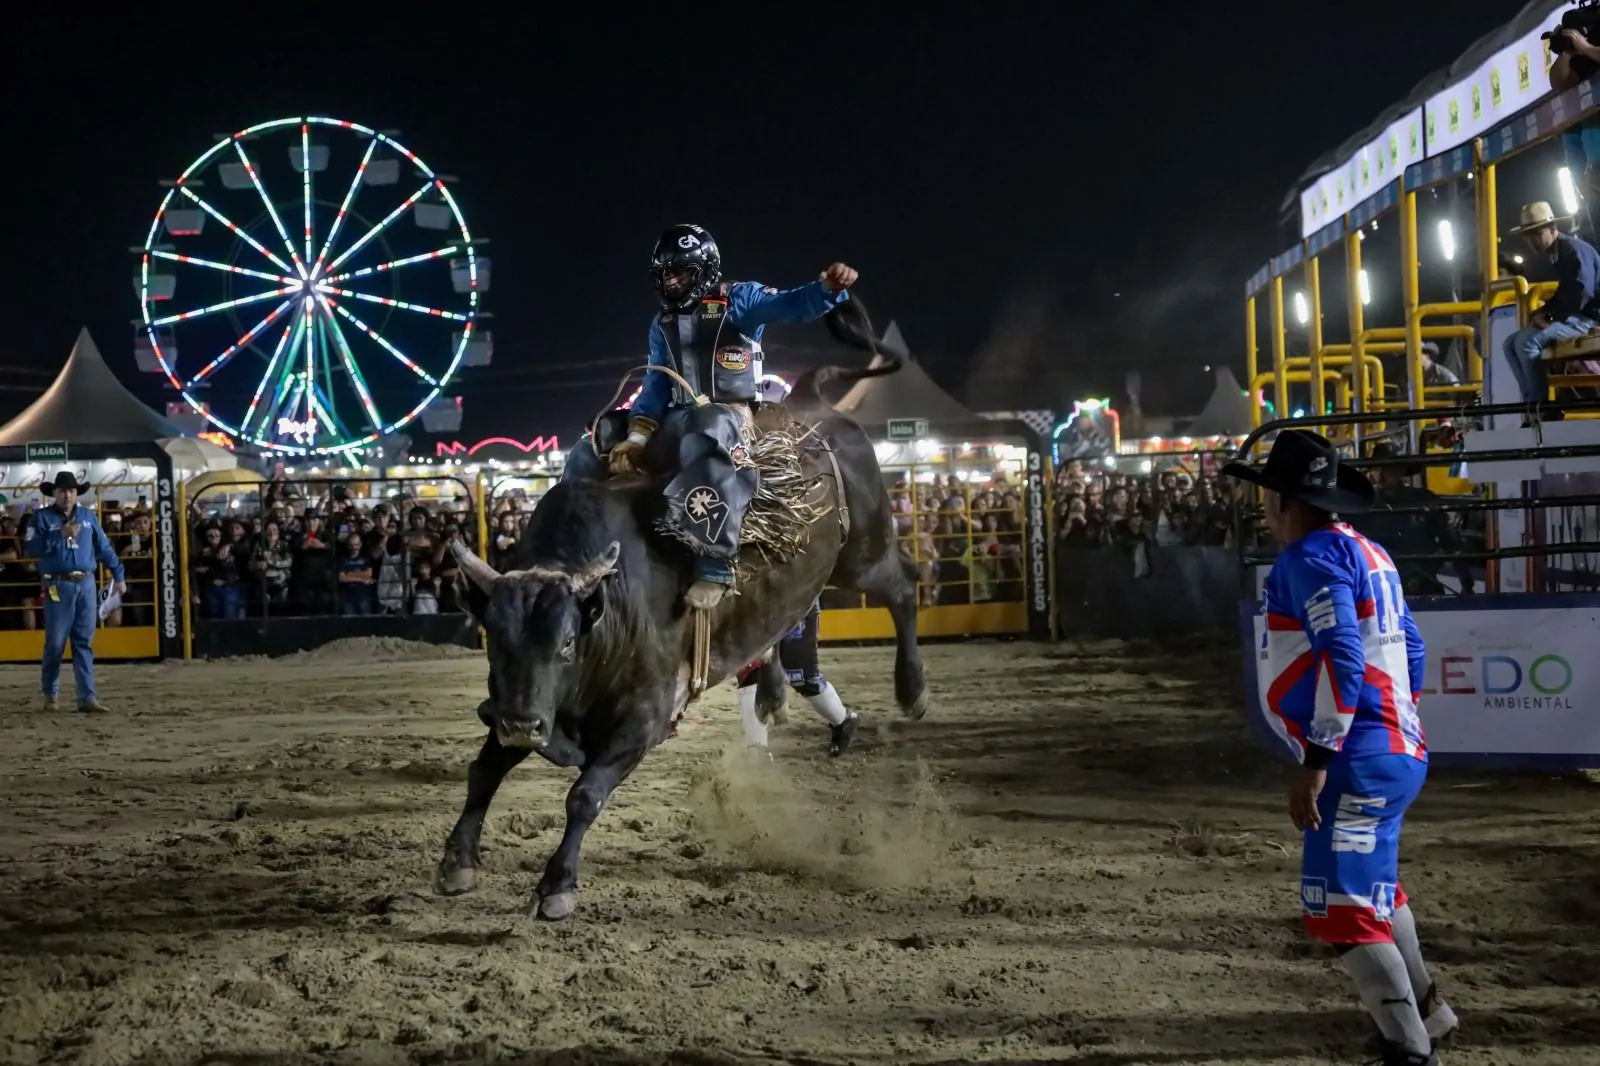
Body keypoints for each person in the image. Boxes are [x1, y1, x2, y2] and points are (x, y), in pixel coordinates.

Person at [1222, 431, 1456, 1066]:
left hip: (1356, 755)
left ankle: (1407, 1049)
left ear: (1282, 501)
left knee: (1341, 913)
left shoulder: (1307, 562)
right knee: (1377, 892)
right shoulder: (1370, 552)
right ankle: (1429, 1016)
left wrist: (1319, 760)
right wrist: (1395, 728)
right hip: (1395, 748)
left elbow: (1344, 655)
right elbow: (1410, 647)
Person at [560, 223, 857, 608]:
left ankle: (715, 561)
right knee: (596, 439)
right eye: (665, 274)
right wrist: (634, 438)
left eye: (680, 272)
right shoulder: (660, 324)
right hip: (678, 419)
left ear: (705, 271)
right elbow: (654, 385)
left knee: (709, 426)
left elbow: (792, 304)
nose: (671, 282)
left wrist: (828, 290)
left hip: (730, 420)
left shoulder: (741, 300)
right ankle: (568, 551)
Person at [23, 472, 126, 713]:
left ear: (76, 493)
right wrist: (59, 535)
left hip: (86, 585)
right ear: (54, 493)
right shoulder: (40, 518)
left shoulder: (88, 517)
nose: (67, 495)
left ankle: (87, 697)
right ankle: (51, 694)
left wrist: (119, 575)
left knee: (83, 642)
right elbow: (31, 548)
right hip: (57, 585)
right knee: (56, 642)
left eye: (71, 490)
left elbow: (105, 548)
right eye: (62, 491)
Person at [1500, 201, 1600, 421]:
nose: (1531, 240)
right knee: (1509, 344)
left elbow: (1581, 293)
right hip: (1580, 316)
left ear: (1553, 229)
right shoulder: (1562, 251)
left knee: (1526, 342)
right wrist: (1545, 312)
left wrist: (1548, 315)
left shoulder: (1572, 250)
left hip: (1590, 319)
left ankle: (1541, 407)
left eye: (1536, 233)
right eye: (1528, 235)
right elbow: (1571, 292)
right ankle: (1532, 406)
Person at [735, 599, 860, 757]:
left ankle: (844, 720)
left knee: (802, 677)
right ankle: (757, 753)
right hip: (753, 606)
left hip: (796, 603)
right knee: (751, 671)